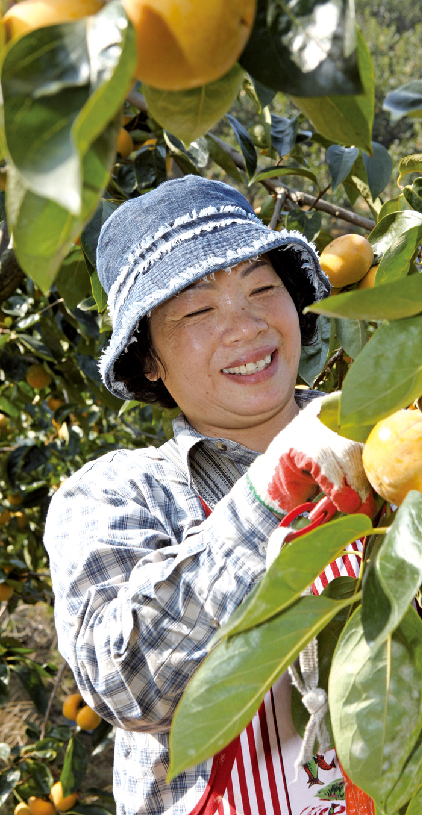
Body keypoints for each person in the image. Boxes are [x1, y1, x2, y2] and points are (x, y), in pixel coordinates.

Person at [44, 176, 373, 815]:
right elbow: (128, 682)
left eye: (262, 290)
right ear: (149, 361)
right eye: (198, 311)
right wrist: (274, 490)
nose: (246, 327)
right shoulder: (117, 494)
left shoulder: (384, 440)